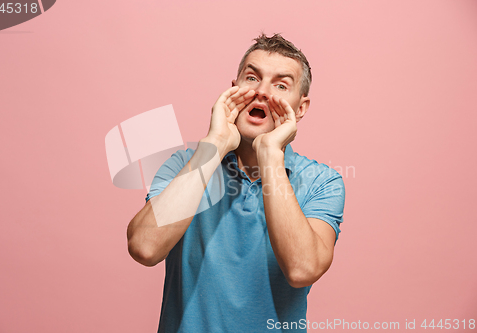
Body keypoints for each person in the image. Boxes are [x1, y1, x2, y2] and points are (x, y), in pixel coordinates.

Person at [127, 33, 345, 332]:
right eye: (252, 78)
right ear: (233, 89)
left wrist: (270, 154)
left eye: (281, 85)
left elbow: (302, 269)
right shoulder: (185, 166)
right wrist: (215, 144)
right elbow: (145, 248)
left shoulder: (322, 181)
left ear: (301, 108)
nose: (262, 92)